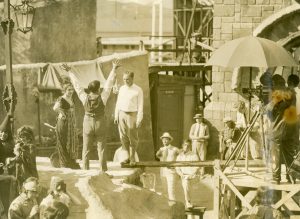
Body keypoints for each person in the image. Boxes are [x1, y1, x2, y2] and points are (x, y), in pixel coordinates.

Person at [62, 59, 121, 171]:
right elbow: (109, 84)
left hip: (88, 123)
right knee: (101, 149)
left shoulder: (84, 97)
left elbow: (77, 86)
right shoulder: (103, 97)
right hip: (100, 123)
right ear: (98, 89)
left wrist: (70, 71)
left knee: (86, 149)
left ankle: (85, 171)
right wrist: (113, 68)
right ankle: (103, 171)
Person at [265, 74, 296, 184]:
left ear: (276, 84)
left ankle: (276, 178)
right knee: (289, 155)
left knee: (275, 154)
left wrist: (265, 105)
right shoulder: (292, 93)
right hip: (290, 130)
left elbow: (270, 110)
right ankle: (291, 177)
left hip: (277, 130)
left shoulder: (279, 94)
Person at [114, 71, 143, 165]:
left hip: (132, 114)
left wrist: (139, 119)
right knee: (123, 137)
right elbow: (118, 103)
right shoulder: (122, 89)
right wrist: (116, 115)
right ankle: (126, 157)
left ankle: (132, 157)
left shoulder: (138, 90)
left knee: (133, 137)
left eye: (128, 79)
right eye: (124, 79)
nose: (125, 81)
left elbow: (141, 105)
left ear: (132, 79)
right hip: (121, 113)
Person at [52, 77, 80, 169]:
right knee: (63, 142)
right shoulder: (61, 98)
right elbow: (55, 108)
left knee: (71, 141)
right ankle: (64, 162)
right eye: (68, 90)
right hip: (63, 123)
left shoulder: (71, 98)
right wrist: (62, 113)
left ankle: (71, 161)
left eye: (72, 90)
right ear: (64, 90)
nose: (71, 91)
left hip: (71, 124)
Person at [6, 126, 38, 191]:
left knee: (28, 186)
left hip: (28, 170)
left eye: (23, 137)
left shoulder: (31, 147)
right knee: (20, 185)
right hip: (20, 170)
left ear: (29, 138)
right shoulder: (20, 145)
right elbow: (18, 158)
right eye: (20, 137)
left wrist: (17, 154)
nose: (21, 139)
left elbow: (28, 159)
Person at [176, 139, 199, 208]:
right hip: (184, 175)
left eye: (188, 145)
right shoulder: (180, 156)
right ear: (182, 146)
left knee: (187, 184)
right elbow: (177, 167)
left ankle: (188, 201)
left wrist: (192, 175)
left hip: (193, 176)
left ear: (190, 146)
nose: (186, 146)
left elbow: (197, 167)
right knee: (185, 183)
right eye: (185, 145)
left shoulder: (193, 155)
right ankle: (187, 202)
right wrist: (181, 174)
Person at [156, 132, 180, 201]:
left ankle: (173, 206)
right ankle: (167, 207)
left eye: (166, 139)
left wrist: (176, 166)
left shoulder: (174, 149)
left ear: (170, 140)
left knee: (171, 190)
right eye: (163, 139)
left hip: (171, 171)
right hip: (163, 171)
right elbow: (157, 156)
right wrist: (159, 154)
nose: (164, 141)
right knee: (164, 190)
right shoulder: (161, 149)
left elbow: (181, 156)